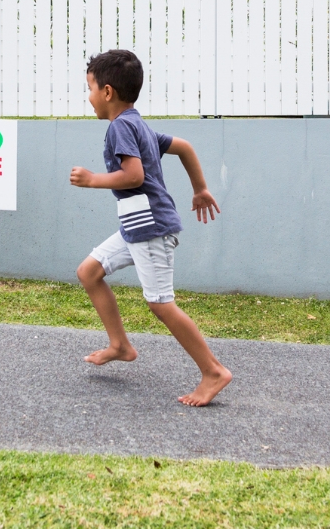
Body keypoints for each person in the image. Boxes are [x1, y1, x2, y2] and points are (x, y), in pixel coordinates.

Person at [71, 49, 232, 407]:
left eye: (91, 89)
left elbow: (134, 176)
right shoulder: (137, 123)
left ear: (108, 92)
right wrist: (200, 189)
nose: (89, 97)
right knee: (89, 272)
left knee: (160, 304)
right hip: (136, 226)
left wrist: (93, 179)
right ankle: (120, 345)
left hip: (152, 228)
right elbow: (185, 147)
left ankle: (213, 371)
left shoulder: (120, 127)